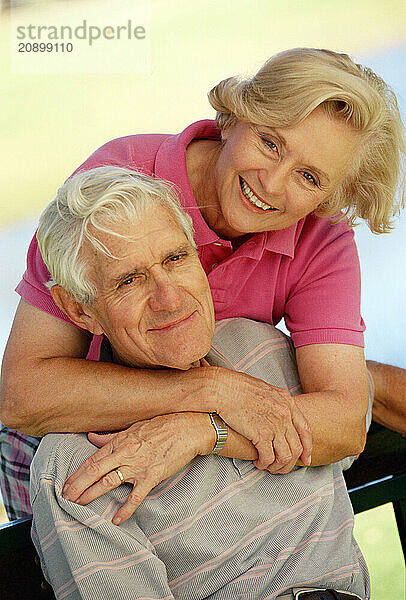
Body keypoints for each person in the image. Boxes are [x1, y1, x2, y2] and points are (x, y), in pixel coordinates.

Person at [1, 48, 405, 520]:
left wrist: (202, 429)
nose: (272, 184)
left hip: (200, 443)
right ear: (234, 118)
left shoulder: (321, 234)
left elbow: (342, 423)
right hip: (69, 434)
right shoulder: (119, 183)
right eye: (271, 143)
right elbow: (22, 396)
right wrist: (212, 391)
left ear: (330, 195)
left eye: (309, 176)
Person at [30, 166, 370, 599]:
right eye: (128, 281)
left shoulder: (263, 348)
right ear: (80, 312)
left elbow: (347, 429)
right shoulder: (80, 465)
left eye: (175, 258)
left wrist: (208, 431)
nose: (169, 297)